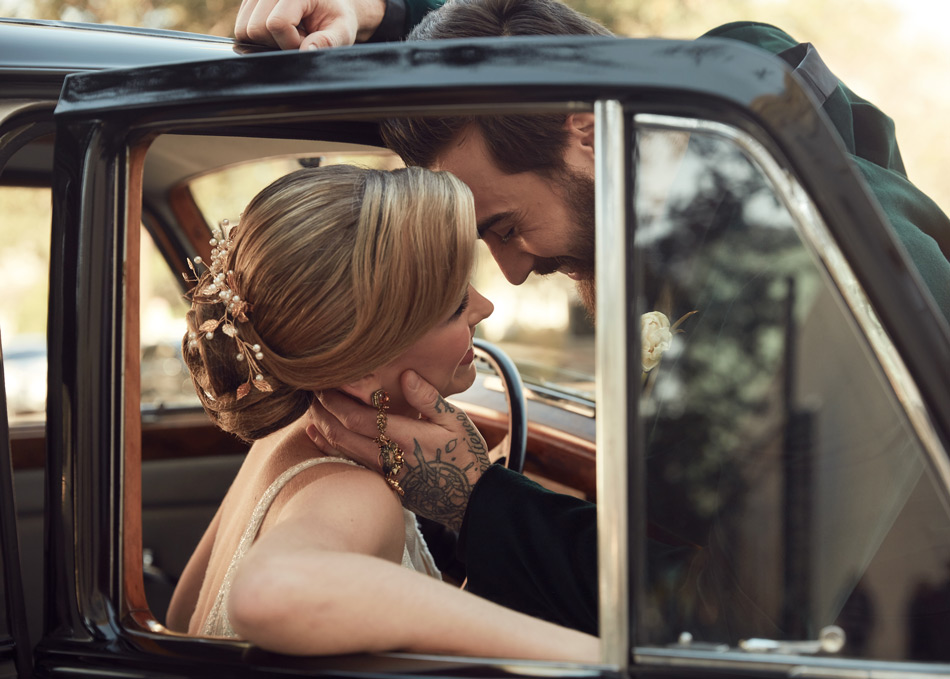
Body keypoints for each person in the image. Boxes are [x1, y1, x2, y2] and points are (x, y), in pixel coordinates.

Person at [234, 0, 950, 637]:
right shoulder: (716, 97)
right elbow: (546, 52)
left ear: (585, 132)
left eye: (506, 227)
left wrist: (478, 502)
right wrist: (383, 18)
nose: (509, 272)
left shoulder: (812, 296)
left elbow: (734, 624)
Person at [163, 163, 598, 661]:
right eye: (456, 303)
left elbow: (183, 619)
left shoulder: (281, 438)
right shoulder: (356, 495)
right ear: (361, 368)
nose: (485, 308)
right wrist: (594, 658)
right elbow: (267, 591)